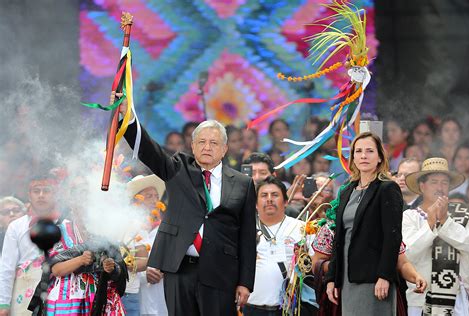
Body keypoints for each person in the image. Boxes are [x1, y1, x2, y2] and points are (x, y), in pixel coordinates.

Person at [117, 94, 257, 316]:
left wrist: (245, 282)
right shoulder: (178, 169)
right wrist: (128, 118)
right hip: (179, 267)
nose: (207, 147)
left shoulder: (243, 184)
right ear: (192, 146)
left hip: (221, 271)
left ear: (224, 148)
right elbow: (149, 150)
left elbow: (247, 237)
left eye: (213, 143)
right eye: (201, 142)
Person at [325, 131, 404, 315]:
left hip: (374, 278)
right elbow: (339, 239)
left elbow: (392, 237)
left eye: (369, 151)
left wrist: (385, 275)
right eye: (358, 151)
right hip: (347, 277)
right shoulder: (346, 191)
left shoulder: (387, 188)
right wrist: (332, 278)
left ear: (379, 157)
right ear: (352, 158)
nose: (363, 156)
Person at [42, 176, 128, 315]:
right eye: (80, 194)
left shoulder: (105, 231)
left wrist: (111, 267)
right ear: (71, 201)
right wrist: (80, 260)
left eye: (88, 194)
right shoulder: (60, 230)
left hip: (102, 302)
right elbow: (56, 269)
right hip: (69, 304)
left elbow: (121, 270)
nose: (85, 200)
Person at [402, 157, 469, 315]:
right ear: (422, 186)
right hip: (420, 298)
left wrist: (445, 221)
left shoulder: (462, 214)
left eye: (444, 183)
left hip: (456, 299)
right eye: (434, 182)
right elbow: (407, 253)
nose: (440, 187)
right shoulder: (410, 216)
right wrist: (430, 223)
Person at [244, 176, 314, 316]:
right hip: (252, 308)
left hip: (291, 309)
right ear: (256, 203)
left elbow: (314, 264)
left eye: (275, 195)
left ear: (286, 201)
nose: (269, 199)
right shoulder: (244, 230)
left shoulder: (302, 228)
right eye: (264, 195)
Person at [0, 173, 61, 316]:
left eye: (46, 190)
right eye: (36, 191)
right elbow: (6, 268)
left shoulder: (65, 224)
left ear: (55, 194)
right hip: (23, 295)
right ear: (29, 195)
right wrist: (3, 303)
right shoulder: (16, 227)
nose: (41, 195)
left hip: (58, 293)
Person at [123, 175, 166, 316]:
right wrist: (144, 274)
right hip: (132, 297)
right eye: (148, 196)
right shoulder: (126, 229)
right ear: (136, 201)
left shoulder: (165, 229)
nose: (154, 200)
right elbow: (123, 262)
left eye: (156, 196)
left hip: (160, 299)